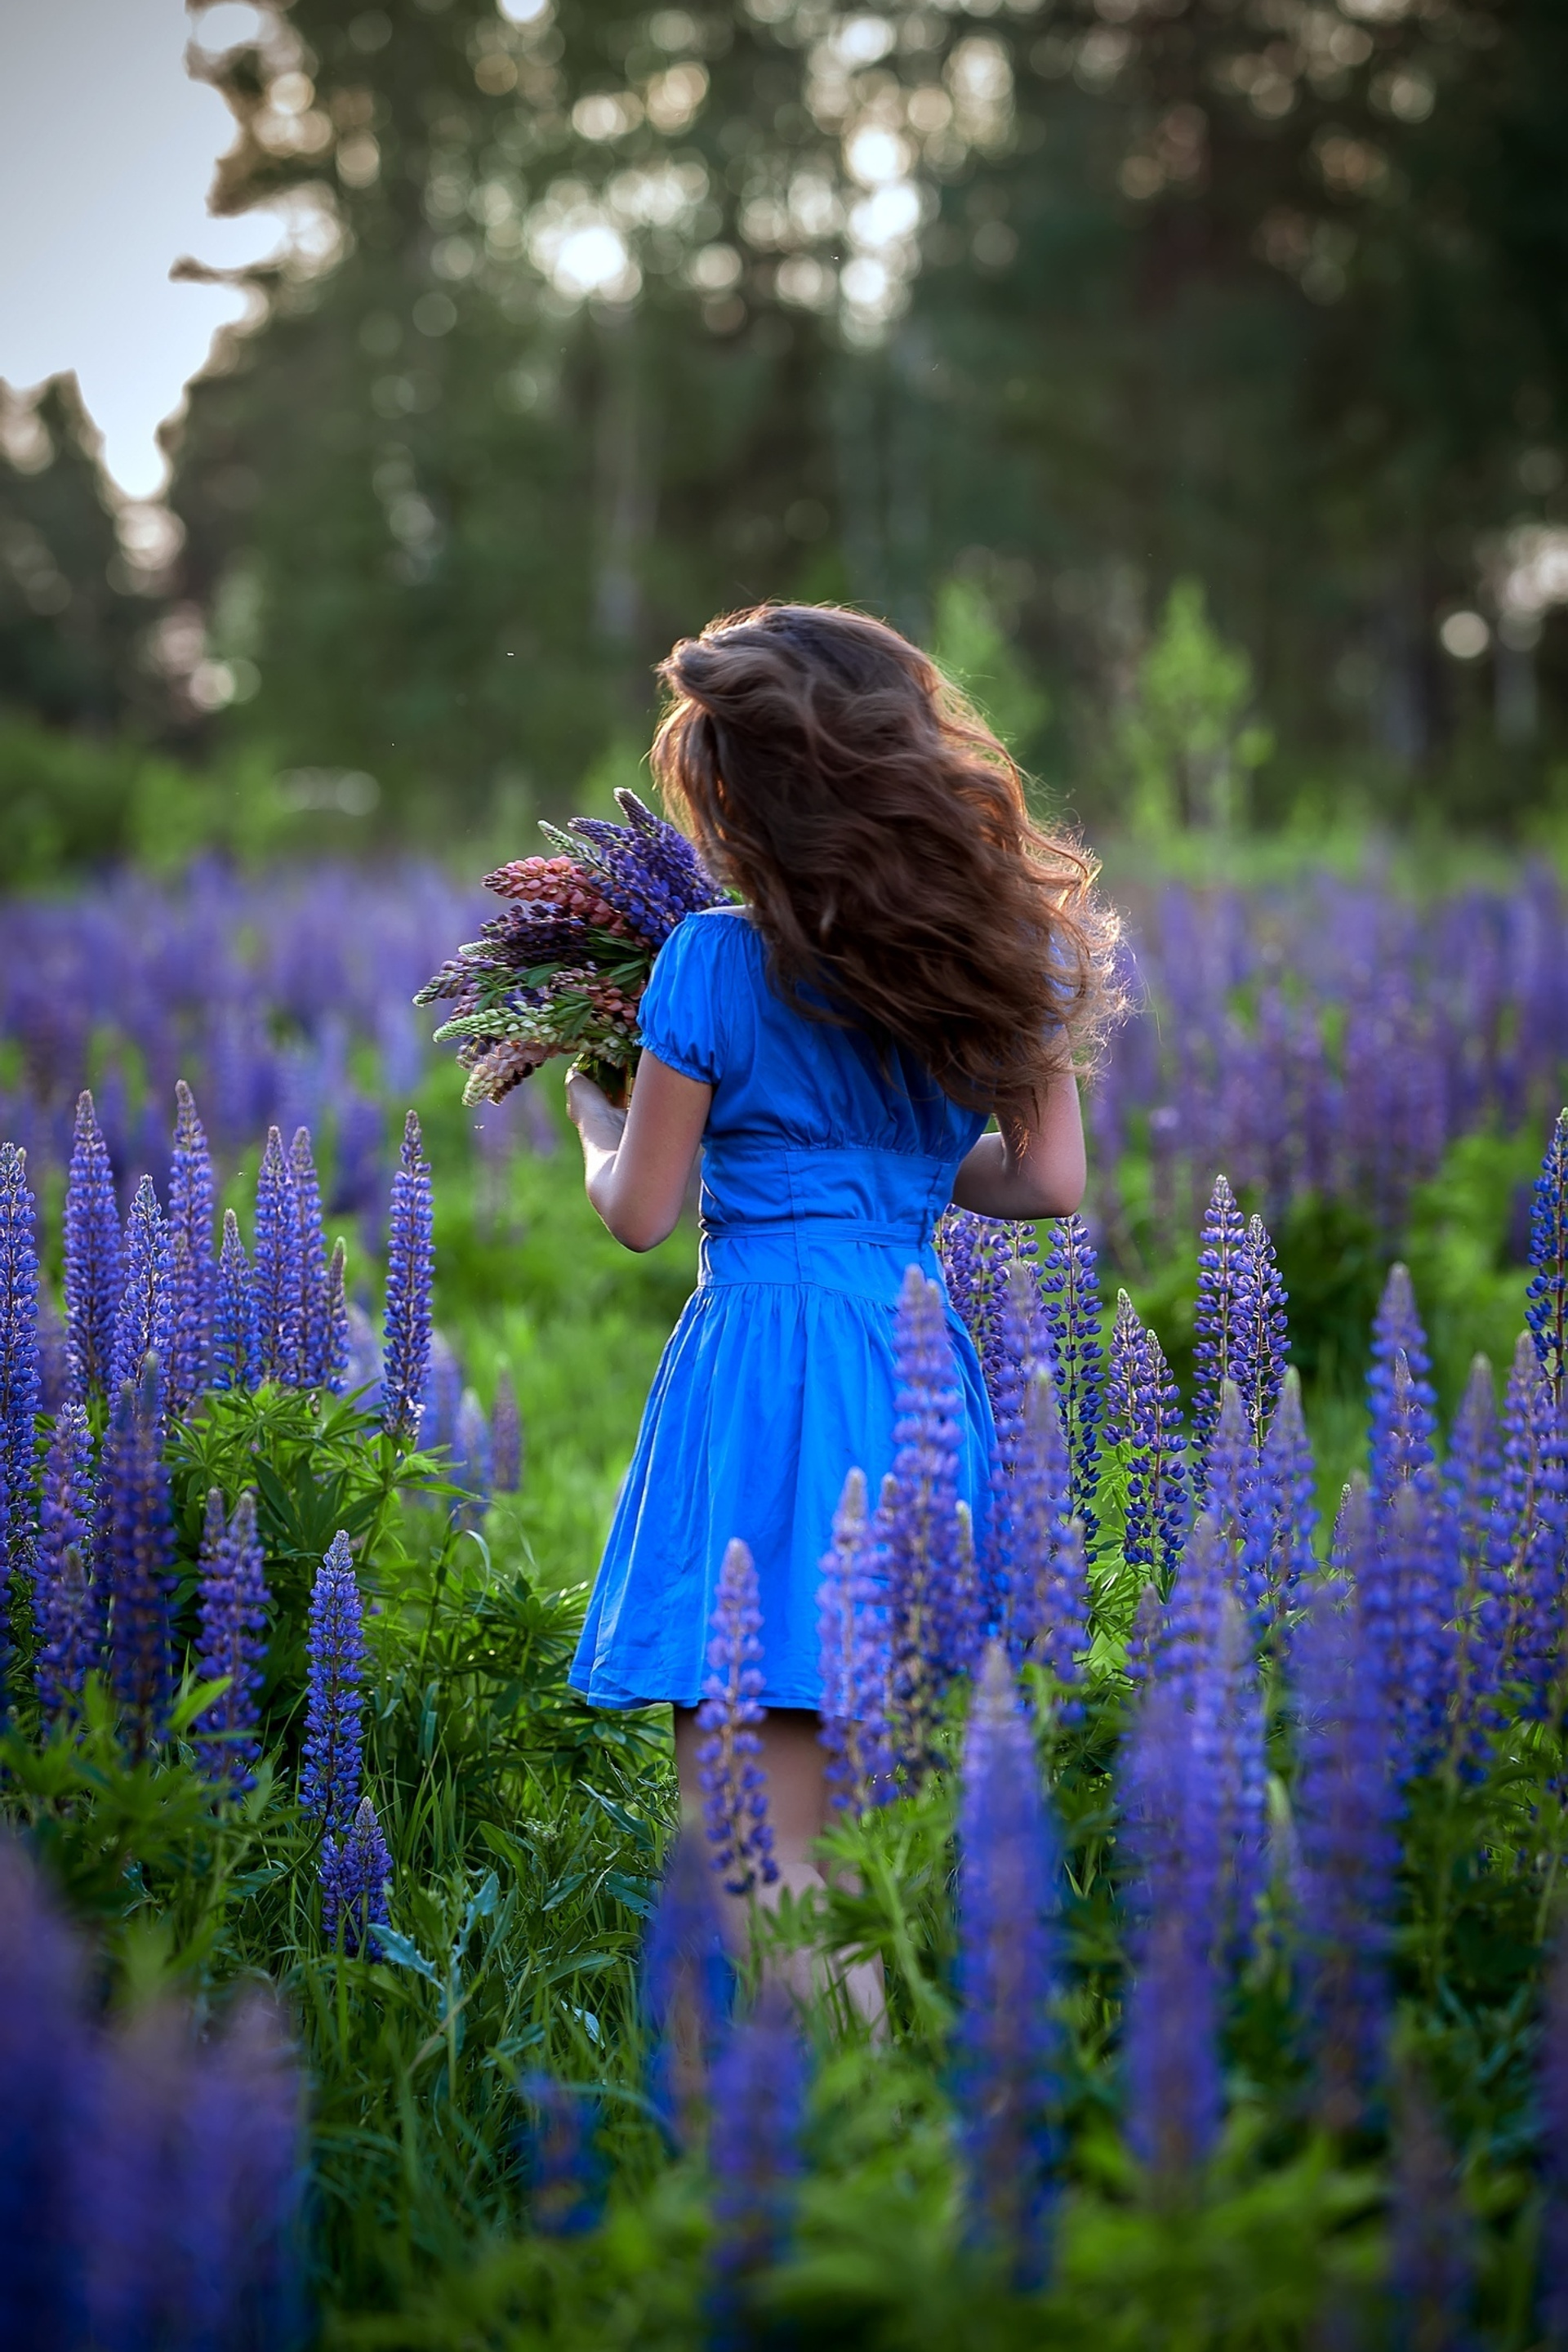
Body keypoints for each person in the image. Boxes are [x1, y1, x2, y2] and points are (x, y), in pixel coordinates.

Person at [564, 602, 1116, 1962]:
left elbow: (641, 1213)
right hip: (907, 1369)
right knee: (865, 1850)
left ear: (749, 799)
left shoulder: (710, 960)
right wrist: (901, 1175)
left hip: (765, 1372)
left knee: (755, 1845)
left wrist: (593, 1118)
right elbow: (1048, 1183)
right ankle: (879, 2069)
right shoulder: (1002, 952)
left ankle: (797, 2079)